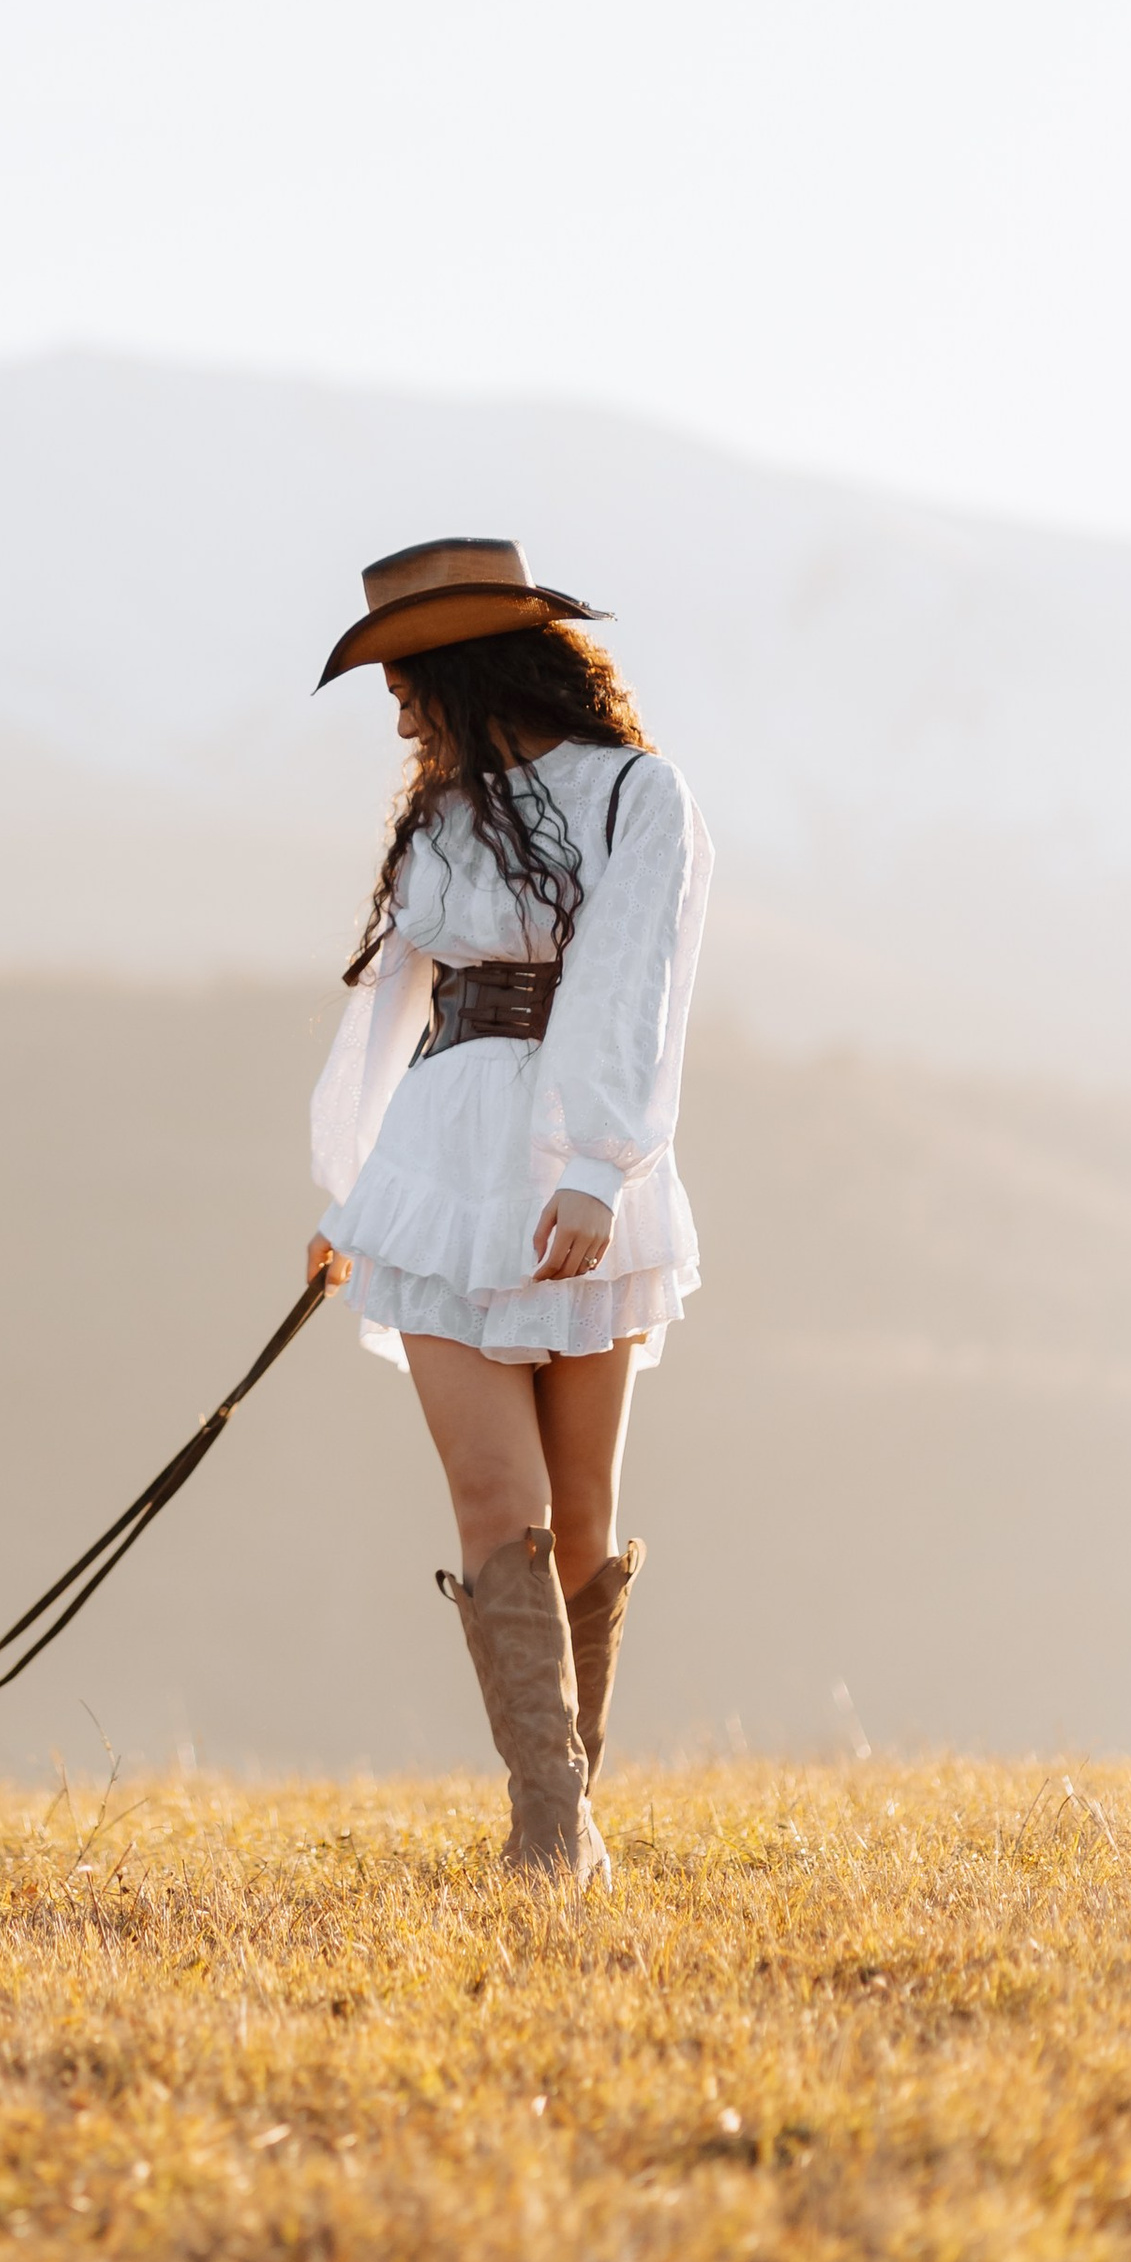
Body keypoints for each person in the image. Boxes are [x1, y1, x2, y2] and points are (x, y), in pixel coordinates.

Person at [306, 537, 710, 1882]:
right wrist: (352, 1194)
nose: (401, 722)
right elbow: (394, 1011)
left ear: (471, 672)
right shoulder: (438, 818)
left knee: (581, 1510)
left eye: (407, 690)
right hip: (439, 1165)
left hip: (579, 1157)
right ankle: (552, 1830)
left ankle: (569, 1814)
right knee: (496, 1495)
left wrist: (597, 1167)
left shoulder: (634, 794)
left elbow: (638, 983)